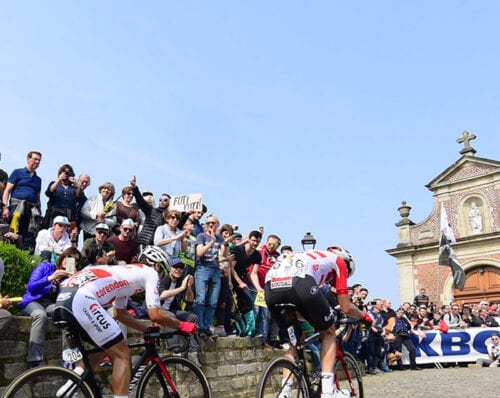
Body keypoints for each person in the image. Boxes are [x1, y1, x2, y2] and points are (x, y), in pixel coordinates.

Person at [55, 245, 197, 398]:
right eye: (162, 272)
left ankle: (71, 384)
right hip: (81, 300)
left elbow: (119, 313)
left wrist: (145, 329)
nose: (161, 277)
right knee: (122, 354)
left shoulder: (126, 275)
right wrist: (182, 325)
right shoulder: (150, 273)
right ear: (157, 265)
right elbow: (155, 314)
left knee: (108, 345)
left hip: (63, 299)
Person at [264, 247, 371, 398]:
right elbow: (346, 307)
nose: (333, 281)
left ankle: (285, 392)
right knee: (328, 332)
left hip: (270, 288)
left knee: (295, 343)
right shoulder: (338, 261)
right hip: (299, 283)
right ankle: (328, 392)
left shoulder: (305, 256)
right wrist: (365, 317)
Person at [19, 247, 81, 368]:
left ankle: (68, 357)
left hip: (49, 304)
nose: (71, 260)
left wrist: (73, 280)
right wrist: (51, 277)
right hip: (32, 300)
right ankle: (34, 360)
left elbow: (69, 299)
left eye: (75, 260)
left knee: (66, 314)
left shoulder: (68, 277)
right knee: (40, 315)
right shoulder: (46, 266)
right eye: (69, 257)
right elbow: (31, 287)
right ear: (63, 257)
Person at [158, 261, 200, 366]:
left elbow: (189, 301)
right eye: (175, 267)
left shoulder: (180, 281)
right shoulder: (164, 280)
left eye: (181, 267)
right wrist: (181, 287)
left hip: (172, 309)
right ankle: (176, 352)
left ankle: (193, 353)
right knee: (171, 316)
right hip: (158, 309)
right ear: (169, 268)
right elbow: (162, 295)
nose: (178, 269)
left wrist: (189, 287)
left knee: (193, 317)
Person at [193, 215, 228, 338]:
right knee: (200, 299)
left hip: (215, 270)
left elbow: (223, 255)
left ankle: (206, 327)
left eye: (213, 223)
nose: (210, 225)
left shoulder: (220, 239)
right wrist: (211, 242)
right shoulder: (201, 236)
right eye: (208, 223)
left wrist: (225, 245)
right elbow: (199, 252)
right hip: (202, 268)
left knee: (212, 301)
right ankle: (199, 326)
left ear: (217, 225)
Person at [1, 150, 43, 252]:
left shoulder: (38, 179)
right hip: (17, 207)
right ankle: (10, 254)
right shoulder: (17, 172)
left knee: (29, 234)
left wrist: (39, 211)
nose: (37, 162)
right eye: (35, 159)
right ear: (28, 159)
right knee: (13, 231)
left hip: (32, 209)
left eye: (39, 160)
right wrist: (5, 207)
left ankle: (26, 258)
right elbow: (7, 190)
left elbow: (37, 196)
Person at [250, 234, 281, 346]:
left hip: (269, 288)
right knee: (256, 310)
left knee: (266, 314)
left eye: (274, 244)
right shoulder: (259, 251)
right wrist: (257, 287)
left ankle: (263, 338)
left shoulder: (278, 256)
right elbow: (252, 271)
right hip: (256, 285)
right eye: (269, 244)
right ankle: (252, 334)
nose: (271, 246)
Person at [231, 230, 262, 337]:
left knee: (247, 302)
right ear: (248, 239)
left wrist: (258, 287)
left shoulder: (257, 255)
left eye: (257, 241)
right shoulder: (238, 250)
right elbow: (231, 268)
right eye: (253, 240)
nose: (255, 243)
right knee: (229, 304)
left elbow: (254, 274)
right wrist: (239, 282)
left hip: (241, 278)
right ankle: (230, 328)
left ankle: (245, 329)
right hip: (229, 276)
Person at [129, 176, 170, 247]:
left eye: (165, 200)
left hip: (158, 246)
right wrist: (134, 187)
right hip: (143, 242)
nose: (162, 201)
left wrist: (187, 214)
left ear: (169, 203)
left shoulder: (171, 217)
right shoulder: (151, 210)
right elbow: (141, 201)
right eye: (160, 200)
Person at [43, 164, 81, 228]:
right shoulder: (54, 183)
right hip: (54, 213)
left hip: (69, 214)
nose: (66, 174)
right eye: (64, 172)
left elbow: (78, 196)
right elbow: (49, 192)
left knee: (69, 234)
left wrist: (75, 183)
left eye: (68, 173)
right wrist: (59, 179)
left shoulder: (73, 187)